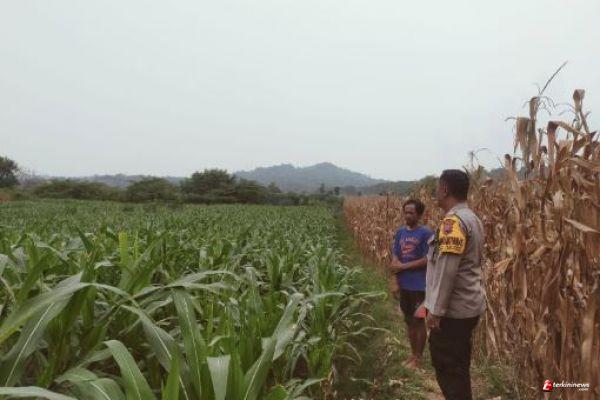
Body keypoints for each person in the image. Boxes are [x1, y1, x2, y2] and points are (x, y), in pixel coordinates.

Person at [424, 169, 486, 400]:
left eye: (437, 188)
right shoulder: (472, 218)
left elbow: (447, 270)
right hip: (468, 307)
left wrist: (436, 311)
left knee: (449, 369)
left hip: (453, 313)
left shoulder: (454, 222)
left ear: (445, 189)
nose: (436, 192)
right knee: (459, 367)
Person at [389, 199, 433, 369]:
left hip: (420, 286)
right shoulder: (400, 232)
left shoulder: (426, 234)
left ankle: (418, 358)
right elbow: (396, 254)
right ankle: (413, 354)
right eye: (406, 212)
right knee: (408, 320)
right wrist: (395, 274)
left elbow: (428, 259)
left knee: (419, 321)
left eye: (411, 213)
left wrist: (403, 267)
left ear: (419, 215)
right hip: (404, 285)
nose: (407, 215)